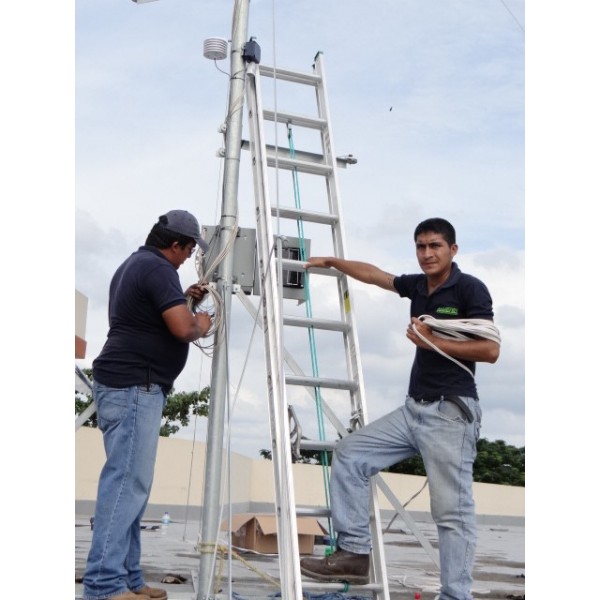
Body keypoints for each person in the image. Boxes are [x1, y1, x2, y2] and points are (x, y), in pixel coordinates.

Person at [299, 217, 500, 600]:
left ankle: (455, 596)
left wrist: (432, 342)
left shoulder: (469, 288)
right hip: (413, 410)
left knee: (451, 514)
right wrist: (334, 263)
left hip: (449, 413)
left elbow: (490, 350)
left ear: (452, 250)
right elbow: (378, 276)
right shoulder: (419, 287)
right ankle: (354, 554)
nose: (427, 254)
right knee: (351, 454)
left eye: (435, 246)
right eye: (421, 246)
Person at [82, 210, 213, 600]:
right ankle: (104, 587)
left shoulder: (136, 264)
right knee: (125, 486)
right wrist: (203, 322)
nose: (190, 256)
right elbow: (184, 329)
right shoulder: (158, 270)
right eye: (189, 249)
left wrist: (184, 298)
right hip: (134, 386)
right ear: (174, 245)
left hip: (123, 384)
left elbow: (150, 316)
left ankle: (129, 580)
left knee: (131, 489)